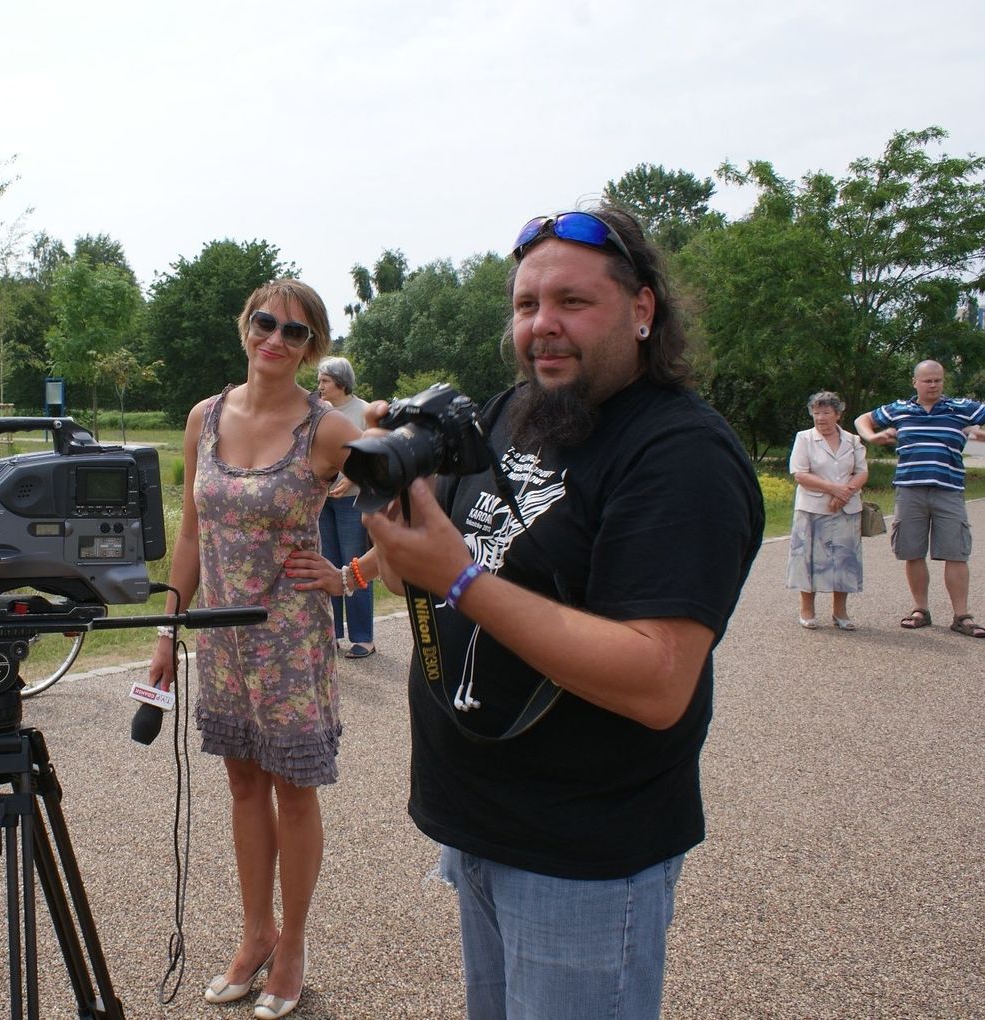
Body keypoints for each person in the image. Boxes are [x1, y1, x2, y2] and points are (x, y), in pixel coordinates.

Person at [360, 208, 763, 1019]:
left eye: (572, 302)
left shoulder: (680, 454)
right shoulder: (514, 414)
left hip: (584, 852)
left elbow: (658, 680)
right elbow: (420, 582)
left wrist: (460, 579)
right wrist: (399, 518)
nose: (542, 325)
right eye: (526, 304)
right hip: (477, 823)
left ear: (642, 310)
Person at [147, 280, 359, 1020]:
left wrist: (351, 574)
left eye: (295, 332)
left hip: (292, 643)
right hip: (221, 639)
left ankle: (292, 944)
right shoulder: (204, 417)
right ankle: (255, 932)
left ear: (312, 347)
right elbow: (190, 534)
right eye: (266, 322)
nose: (276, 339)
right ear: (246, 327)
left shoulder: (328, 430)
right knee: (242, 785)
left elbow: (407, 503)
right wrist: (168, 629)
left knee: (293, 789)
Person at [854, 360, 985, 637]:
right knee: (912, 551)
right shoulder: (900, 408)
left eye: (938, 380)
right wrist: (872, 437)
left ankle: (962, 616)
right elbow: (862, 420)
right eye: (927, 380)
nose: (933, 385)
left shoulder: (961, 407)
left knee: (956, 553)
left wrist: (979, 436)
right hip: (909, 489)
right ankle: (920, 609)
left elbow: (979, 432)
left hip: (949, 489)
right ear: (915, 382)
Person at [787, 391, 868, 629]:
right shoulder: (804, 438)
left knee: (844, 560)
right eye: (816, 413)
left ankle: (840, 612)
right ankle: (807, 610)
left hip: (846, 509)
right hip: (812, 508)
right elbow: (800, 474)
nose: (820, 418)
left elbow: (862, 471)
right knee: (808, 559)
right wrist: (834, 490)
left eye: (826, 412)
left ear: (838, 414)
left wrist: (845, 494)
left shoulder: (853, 440)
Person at [314, 356, 376, 658]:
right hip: (322, 501)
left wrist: (351, 477)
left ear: (341, 382)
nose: (319, 386)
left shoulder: (364, 411)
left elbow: (375, 455)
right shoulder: (317, 411)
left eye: (324, 380)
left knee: (355, 566)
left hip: (353, 501)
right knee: (328, 565)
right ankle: (333, 634)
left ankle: (363, 638)